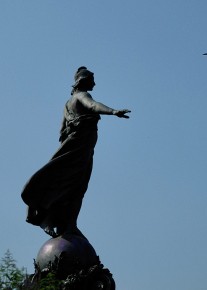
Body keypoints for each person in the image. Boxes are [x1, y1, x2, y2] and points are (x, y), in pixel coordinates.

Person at [21, 66, 130, 239]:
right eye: (92, 79)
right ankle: (68, 223)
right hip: (80, 147)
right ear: (83, 80)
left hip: (77, 146)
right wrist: (113, 111)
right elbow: (93, 106)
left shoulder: (67, 104)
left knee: (67, 182)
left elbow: (61, 131)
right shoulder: (82, 96)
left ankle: (58, 218)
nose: (94, 82)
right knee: (77, 187)